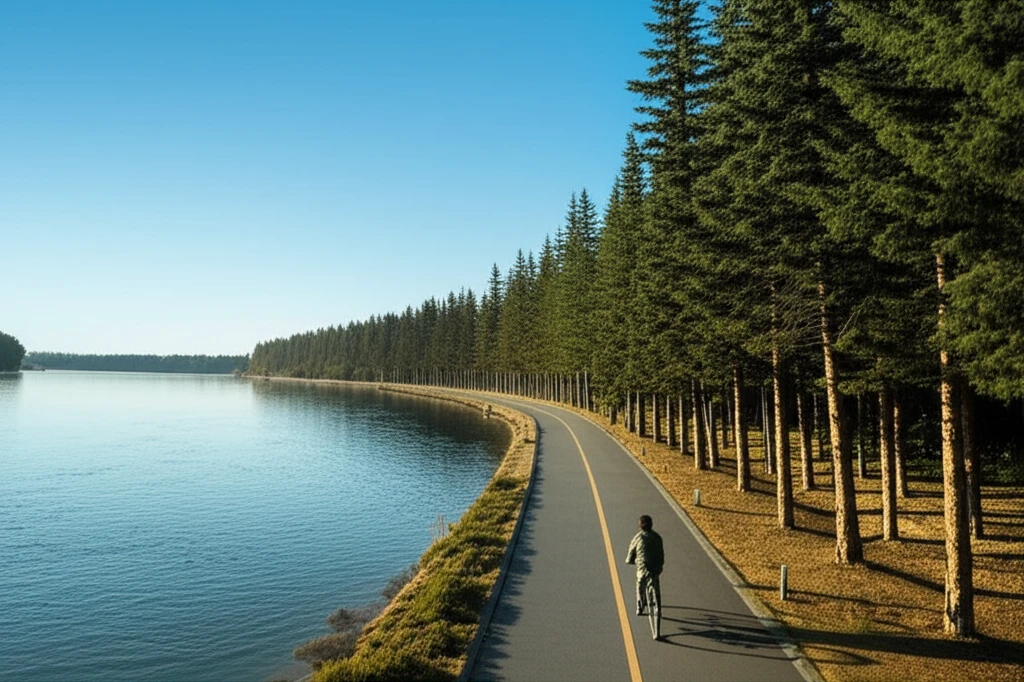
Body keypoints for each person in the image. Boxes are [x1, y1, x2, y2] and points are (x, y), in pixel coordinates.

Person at [625, 514, 664, 620]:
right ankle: (658, 607)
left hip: (643, 568)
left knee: (640, 583)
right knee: (656, 583)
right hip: (656, 568)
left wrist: (629, 560)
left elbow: (631, 551)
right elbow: (661, 554)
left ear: (640, 526)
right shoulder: (657, 537)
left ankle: (640, 607)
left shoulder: (638, 537)